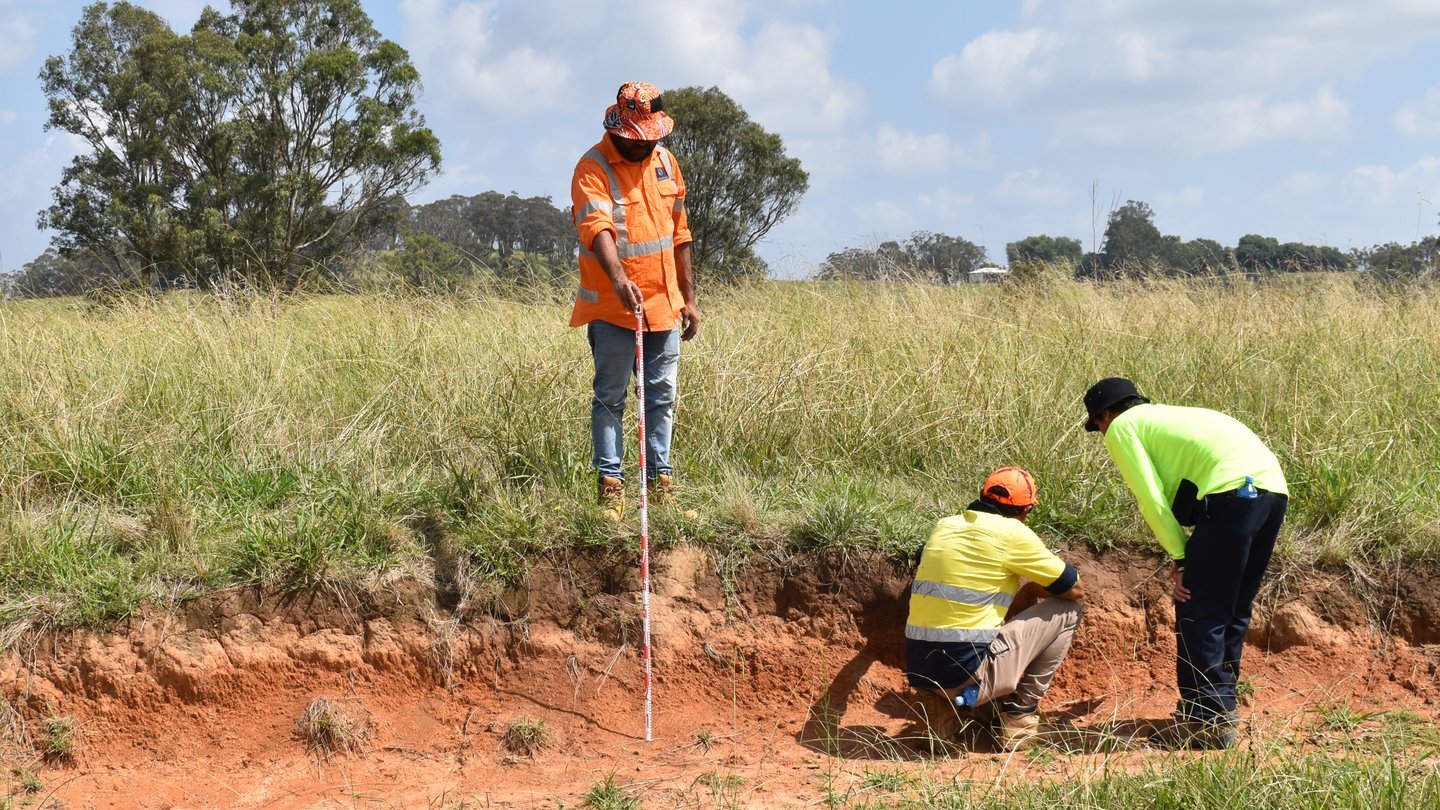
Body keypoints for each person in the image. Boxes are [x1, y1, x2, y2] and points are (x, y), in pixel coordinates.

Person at [1082, 377, 1288, 749]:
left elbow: (1151, 500)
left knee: (1199, 607)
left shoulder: (1123, 427)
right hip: (1272, 491)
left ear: (1106, 414)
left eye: (1097, 425)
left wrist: (1181, 558)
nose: (1101, 433)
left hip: (1229, 494)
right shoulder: (1169, 417)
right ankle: (1220, 711)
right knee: (1233, 608)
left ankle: (1205, 722)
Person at [570, 81, 701, 520]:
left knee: (660, 397)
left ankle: (660, 485)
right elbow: (597, 228)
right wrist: (619, 277)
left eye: (652, 138)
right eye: (638, 138)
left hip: (664, 306)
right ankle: (611, 487)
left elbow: (680, 233)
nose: (646, 146)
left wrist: (689, 297)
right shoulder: (592, 167)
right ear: (619, 129)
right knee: (611, 397)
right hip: (614, 308)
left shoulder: (666, 162)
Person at [905, 467, 1085, 750]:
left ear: (980, 497)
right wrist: (1028, 590)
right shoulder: (1014, 533)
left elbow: (921, 555)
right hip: (967, 674)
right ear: (1025, 511)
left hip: (921, 671)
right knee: (1069, 610)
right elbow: (1074, 587)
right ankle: (1018, 718)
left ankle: (940, 715)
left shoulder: (945, 526)